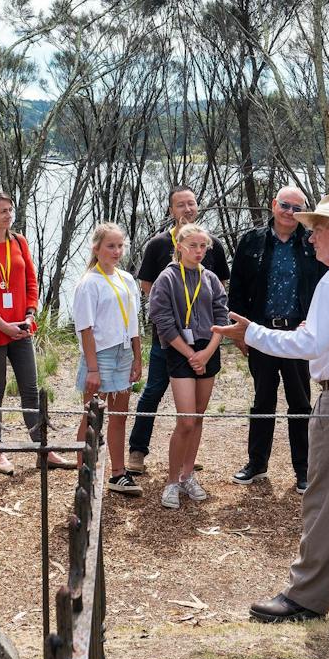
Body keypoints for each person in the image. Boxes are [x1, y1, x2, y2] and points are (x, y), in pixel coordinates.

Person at [215, 195, 329, 622]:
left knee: (327, 500)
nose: (311, 235)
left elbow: (309, 345)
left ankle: (306, 594)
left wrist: (252, 334)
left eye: (318, 228)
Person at [0, 191, 73, 474]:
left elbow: (31, 281)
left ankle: (43, 448)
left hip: (22, 329)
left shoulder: (19, 241)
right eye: (2, 211)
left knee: (30, 389)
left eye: (10, 210)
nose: (8, 215)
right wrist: (1, 324)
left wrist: (29, 313)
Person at [127, 186, 230, 476]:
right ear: (171, 210)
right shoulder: (158, 244)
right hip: (168, 338)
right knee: (153, 391)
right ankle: (138, 450)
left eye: (191, 203)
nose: (187, 209)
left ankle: (185, 460)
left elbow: (220, 287)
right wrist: (173, 316)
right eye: (180, 205)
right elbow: (147, 286)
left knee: (194, 411)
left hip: (203, 339)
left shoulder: (213, 245)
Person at [227, 185, 324, 493]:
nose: (289, 212)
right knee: (262, 400)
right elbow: (237, 290)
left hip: (298, 333)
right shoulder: (252, 241)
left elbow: (324, 288)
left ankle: (304, 470)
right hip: (262, 332)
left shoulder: (311, 243)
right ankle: (256, 464)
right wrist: (241, 332)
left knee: (300, 402)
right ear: (273, 205)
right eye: (285, 205)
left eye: (297, 208)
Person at [145, 223, 229, 510]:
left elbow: (221, 317)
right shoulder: (167, 278)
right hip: (180, 351)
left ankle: (187, 475)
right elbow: (161, 319)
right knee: (186, 420)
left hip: (207, 350)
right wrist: (189, 353)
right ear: (179, 247)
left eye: (203, 246)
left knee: (199, 417)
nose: (199, 251)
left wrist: (205, 353)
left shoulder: (212, 279)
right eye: (193, 246)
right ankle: (171, 481)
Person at [70, 222, 143, 496]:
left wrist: (137, 357)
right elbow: (85, 327)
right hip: (99, 354)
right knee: (92, 418)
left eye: (120, 245)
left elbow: (135, 323)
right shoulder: (89, 282)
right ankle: (83, 476)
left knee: (120, 416)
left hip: (124, 352)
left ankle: (118, 474)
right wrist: (92, 368)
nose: (116, 251)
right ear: (97, 248)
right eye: (110, 246)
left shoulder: (126, 279)